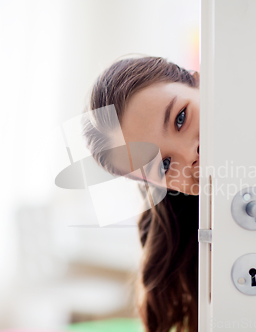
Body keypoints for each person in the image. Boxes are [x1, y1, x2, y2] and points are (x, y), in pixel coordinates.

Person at [82, 55, 200, 332]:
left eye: (180, 118)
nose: (191, 155)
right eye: (165, 165)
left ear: (199, 82)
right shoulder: (200, 255)